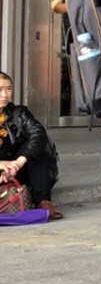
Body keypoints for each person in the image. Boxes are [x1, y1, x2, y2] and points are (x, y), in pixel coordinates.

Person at [0, 71, 61, 219]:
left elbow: (37, 134)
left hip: (15, 171)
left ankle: (43, 202)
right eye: (0, 89)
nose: (5, 94)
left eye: (8, 89)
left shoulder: (19, 113)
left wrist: (19, 162)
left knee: (38, 144)